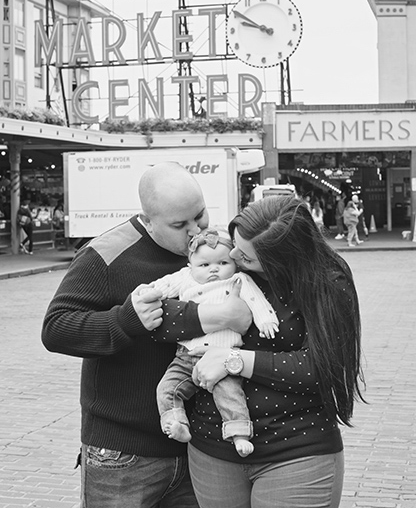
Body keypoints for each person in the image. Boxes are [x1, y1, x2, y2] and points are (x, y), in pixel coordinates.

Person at [41, 162, 252, 508]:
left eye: (200, 215)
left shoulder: (216, 249)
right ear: (148, 220)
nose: (195, 230)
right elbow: (56, 328)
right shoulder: (105, 255)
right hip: (122, 454)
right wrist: (124, 321)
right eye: (179, 224)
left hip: (200, 448)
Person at [164, 195, 365, 508]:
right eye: (236, 243)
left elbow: (320, 368)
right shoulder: (221, 268)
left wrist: (235, 361)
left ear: (282, 261)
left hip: (297, 453)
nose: (231, 255)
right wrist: (215, 316)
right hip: (212, 452)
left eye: (246, 257)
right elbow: (159, 319)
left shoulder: (327, 285)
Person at [145, 227, 279, 457]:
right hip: (187, 354)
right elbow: (163, 286)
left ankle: (239, 434)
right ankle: (177, 423)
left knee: (230, 394)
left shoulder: (238, 280)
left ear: (235, 264)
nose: (214, 269)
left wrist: (266, 319)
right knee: (167, 388)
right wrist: (147, 292)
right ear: (191, 266)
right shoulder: (185, 277)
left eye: (222, 263)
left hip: (223, 355)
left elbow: (256, 300)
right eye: (204, 265)